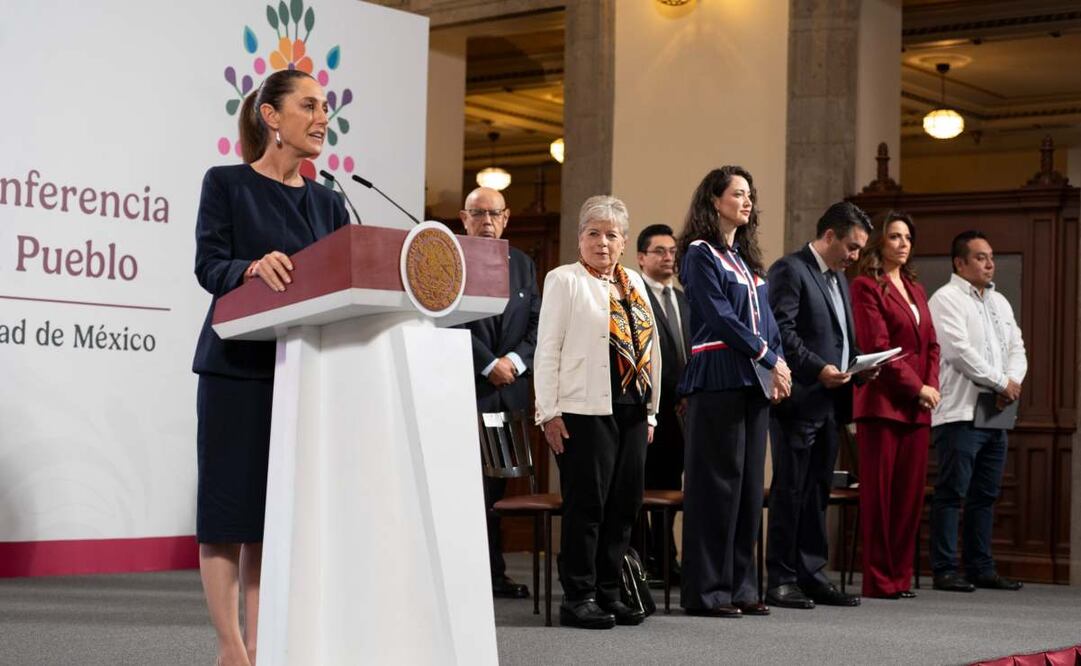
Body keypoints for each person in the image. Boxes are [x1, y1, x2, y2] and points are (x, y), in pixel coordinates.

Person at [192, 69, 348, 666]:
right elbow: (210, 266)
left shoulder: (330, 202)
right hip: (235, 369)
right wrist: (251, 268)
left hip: (300, 374)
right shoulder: (226, 183)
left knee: (268, 519)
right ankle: (231, 647)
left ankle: (263, 644)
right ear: (270, 116)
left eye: (325, 108)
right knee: (227, 515)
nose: (320, 119)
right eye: (308, 105)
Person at [534, 195, 661, 630]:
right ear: (579, 239)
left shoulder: (635, 284)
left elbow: (651, 351)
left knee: (623, 507)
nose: (602, 243)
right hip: (582, 409)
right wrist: (548, 412)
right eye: (593, 233)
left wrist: (651, 413)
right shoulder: (563, 280)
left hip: (631, 409)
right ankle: (579, 596)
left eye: (611, 235)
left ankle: (610, 593)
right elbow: (547, 348)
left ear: (624, 242)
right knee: (587, 506)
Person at [676, 166, 791, 618]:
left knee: (746, 490)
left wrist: (778, 363)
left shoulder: (746, 259)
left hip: (752, 379)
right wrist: (768, 357)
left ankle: (742, 587)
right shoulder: (699, 254)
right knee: (715, 488)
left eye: (750, 195)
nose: (747, 201)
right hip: (718, 374)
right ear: (714, 201)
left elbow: (769, 319)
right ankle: (707, 592)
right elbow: (721, 317)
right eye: (738, 194)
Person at [764, 201, 873, 610]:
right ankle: (780, 579)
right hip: (799, 398)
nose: (855, 256)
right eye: (851, 246)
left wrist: (861, 364)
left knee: (817, 493)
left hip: (831, 402)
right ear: (829, 236)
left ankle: (811, 575)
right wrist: (819, 369)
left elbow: (841, 338)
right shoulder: (790, 270)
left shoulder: (838, 280)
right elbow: (783, 333)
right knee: (790, 491)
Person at [928, 231, 1027, 592]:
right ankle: (944, 568)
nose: (989, 263)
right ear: (960, 263)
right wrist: (1002, 383)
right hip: (960, 412)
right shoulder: (946, 299)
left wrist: (1011, 381)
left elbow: (1017, 346)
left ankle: (980, 567)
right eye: (981, 257)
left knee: (985, 494)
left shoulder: (999, 301)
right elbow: (958, 351)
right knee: (952, 492)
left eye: (991, 257)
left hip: (995, 412)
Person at [849, 211, 940, 599]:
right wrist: (917, 386)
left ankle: (899, 577)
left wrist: (930, 386)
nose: (903, 244)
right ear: (879, 243)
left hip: (918, 408)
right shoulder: (866, 286)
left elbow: (931, 345)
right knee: (880, 497)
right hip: (882, 404)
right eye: (894, 237)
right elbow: (878, 347)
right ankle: (878, 579)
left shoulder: (916, 289)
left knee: (908, 498)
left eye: (907, 237)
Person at [457, 186, 540, 599]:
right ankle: (467, 576)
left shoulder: (523, 265)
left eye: (494, 215)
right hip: (467, 393)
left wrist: (515, 363)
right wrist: (489, 364)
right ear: (464, 218)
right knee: (465, 489)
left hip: (509, 394)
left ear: (506, 219)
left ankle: (493, 573)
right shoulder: (448, 259)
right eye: (479, 214)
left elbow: (536, 326)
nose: (487, 222)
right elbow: (447, 320)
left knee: (497, 490)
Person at [631, 223, 690, 582]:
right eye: (660, 251)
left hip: (683, 411)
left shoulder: (684, 299)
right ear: (641, 257)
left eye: (672, 252)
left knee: (672, 486)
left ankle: (667, 557)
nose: (668, 257)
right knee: (642, 486)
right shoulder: (636, 297)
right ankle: (645, 558)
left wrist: (689, 393)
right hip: (649, 407)